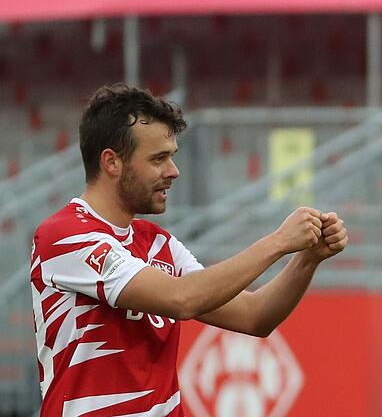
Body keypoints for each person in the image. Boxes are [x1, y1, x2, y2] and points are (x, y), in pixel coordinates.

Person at [30, 83, 348, 415]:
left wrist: (307, 259)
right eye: (158, 159)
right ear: (112, 162)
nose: (173, 171)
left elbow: (255, 316)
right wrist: (278, 241)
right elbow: (181, 299)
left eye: (172, 157)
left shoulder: (158, 243)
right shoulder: (64, 235)